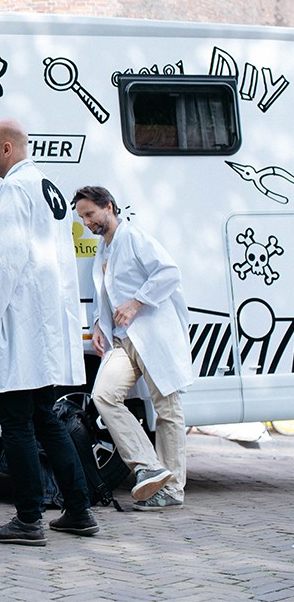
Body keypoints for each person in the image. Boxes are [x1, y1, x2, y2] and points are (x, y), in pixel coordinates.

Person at [0, 118, 98, 546]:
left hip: (19, 321)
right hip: (45, 324)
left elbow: (6, 259)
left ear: (6, 149)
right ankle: (79, 511)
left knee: (16, 422)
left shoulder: (13, 190)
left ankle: (28, 519)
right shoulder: (47, 186)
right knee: (46, 419)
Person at [72, 185, 191, 511]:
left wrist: (138, 302)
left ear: (108, 207)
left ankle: (173, 489)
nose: (87, 222)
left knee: (167, 410)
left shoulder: (135, 238)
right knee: (103, 396)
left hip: (152, 335)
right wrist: (100, 324)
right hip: (124, 341)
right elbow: (105, 295)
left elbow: (169, 272)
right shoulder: (104, 250)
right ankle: (148, 465)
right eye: (82, 217)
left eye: (90, 214)